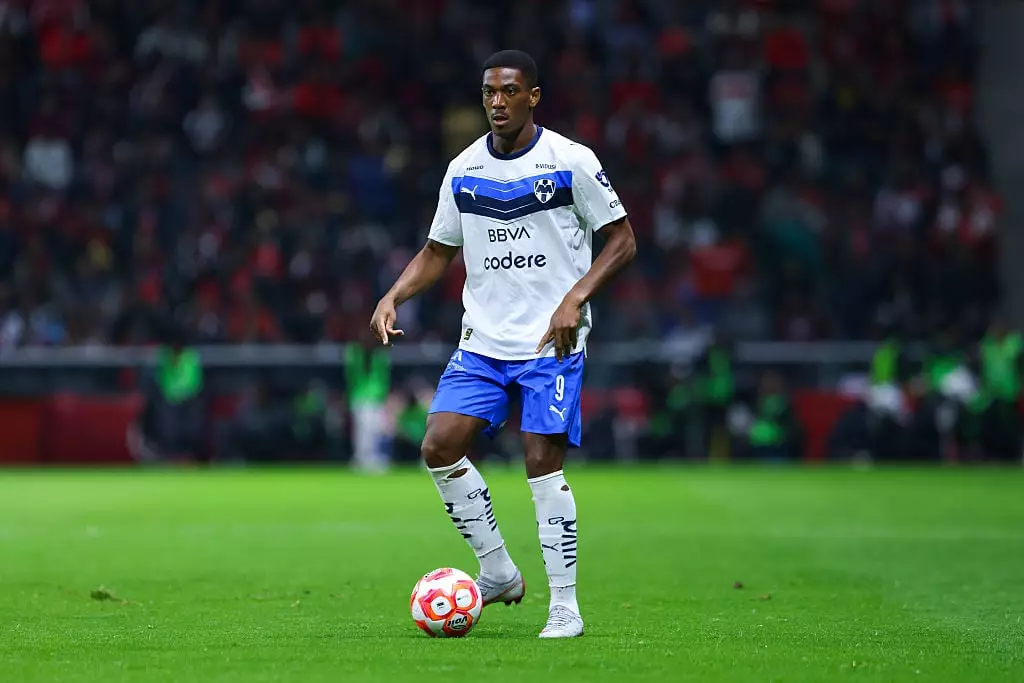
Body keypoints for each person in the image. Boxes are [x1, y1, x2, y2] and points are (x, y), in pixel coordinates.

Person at [369, 50, 636, 638]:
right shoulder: (463, 169)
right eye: (489, 92)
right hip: (484, 341)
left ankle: (564, 606)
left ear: (532, 97)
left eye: (510, 91)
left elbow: (622, 240)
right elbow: (438, 250)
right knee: (439, 445)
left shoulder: (571, 161)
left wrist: (575, 298)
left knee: (541, 463)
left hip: (551, 341)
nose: (497, 101)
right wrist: (393, 295)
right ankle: (497, 571)